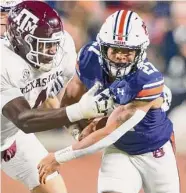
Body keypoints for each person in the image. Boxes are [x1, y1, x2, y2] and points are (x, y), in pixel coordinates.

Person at [37, 10, 179, 193]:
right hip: (118, 149)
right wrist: (77, 132)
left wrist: (59, 157)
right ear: (103, 47)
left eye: (127, 51)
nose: (120, 56)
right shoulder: (90, 56)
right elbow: (69, 101)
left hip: (154, 150)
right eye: (115, 49)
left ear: (140, 51)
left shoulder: (147, 80)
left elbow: (110, 132)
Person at [1, 1, 113, 193]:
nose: (51, 51)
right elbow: (24, 120)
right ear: (20, 39)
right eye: (2, 12)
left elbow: (47, 97)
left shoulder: (62, 46)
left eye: (52, 44)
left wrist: (77, 127)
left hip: (9, 136)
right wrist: (79, 111)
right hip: (17, 124)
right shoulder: (5, 61)